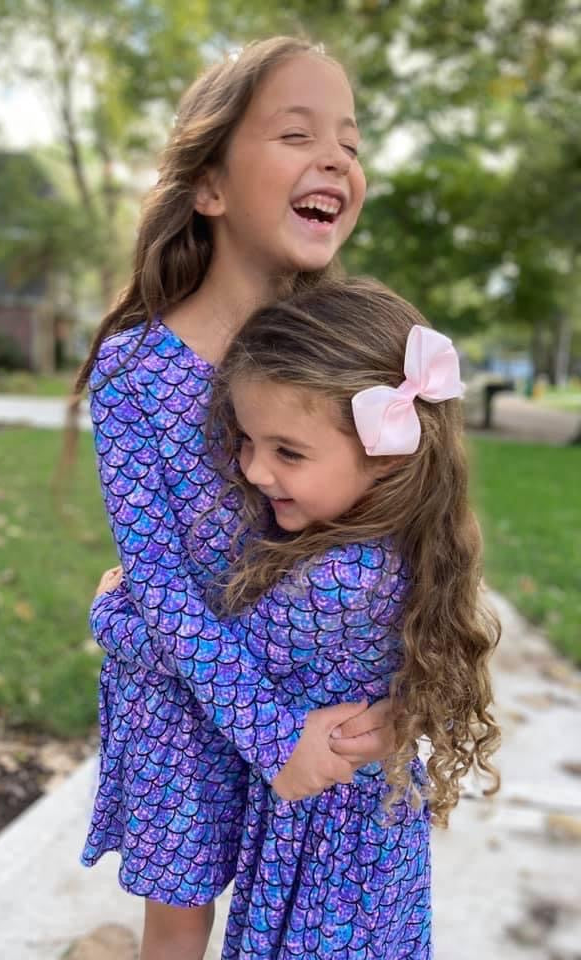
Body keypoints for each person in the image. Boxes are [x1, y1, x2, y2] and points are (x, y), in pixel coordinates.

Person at [74, 36, 396, 960]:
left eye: (351, 141)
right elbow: (166, 588)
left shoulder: (346, 360)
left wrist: (410, 694)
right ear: (209, 187)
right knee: (178, 922)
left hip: (318, 692)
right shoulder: (135, 375)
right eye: (297, 134)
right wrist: (265, 732)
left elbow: (404, 542)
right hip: (184, 710)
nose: (337, 157)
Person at [99, 276, 501, 958]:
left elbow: (209, 652)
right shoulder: (399, 543)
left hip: (327, 848)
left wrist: (109, 610)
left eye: (287, 450)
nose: (253, 470)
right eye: (248, 441)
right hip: (358, 837)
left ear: (384, 454)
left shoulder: (340, 579)